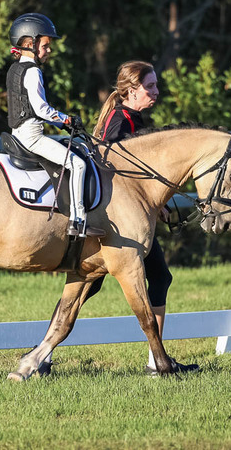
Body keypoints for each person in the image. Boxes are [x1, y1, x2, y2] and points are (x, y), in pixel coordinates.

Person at [40, 60, 199, 376]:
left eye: (155, 85)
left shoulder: (130, 118)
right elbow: (110, 168)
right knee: (98, 285)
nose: (156, 91)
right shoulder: (120, 121)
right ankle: (154, 360)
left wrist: (158, 206)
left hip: (124, 221)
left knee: (100, 285)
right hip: (117, 225)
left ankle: (43, 356)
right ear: (131, 90)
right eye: (150, 86)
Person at [7, 13, 104, 238]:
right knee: (78, 164)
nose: (49, 50)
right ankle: (78, 221)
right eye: (45, 45)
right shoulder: (33, 72)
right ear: (30, 44)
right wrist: (66, 119)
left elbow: (29, 108)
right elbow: (41, 109)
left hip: (16, 134)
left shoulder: (15, 69)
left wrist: (60, 125)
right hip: (32, 138)